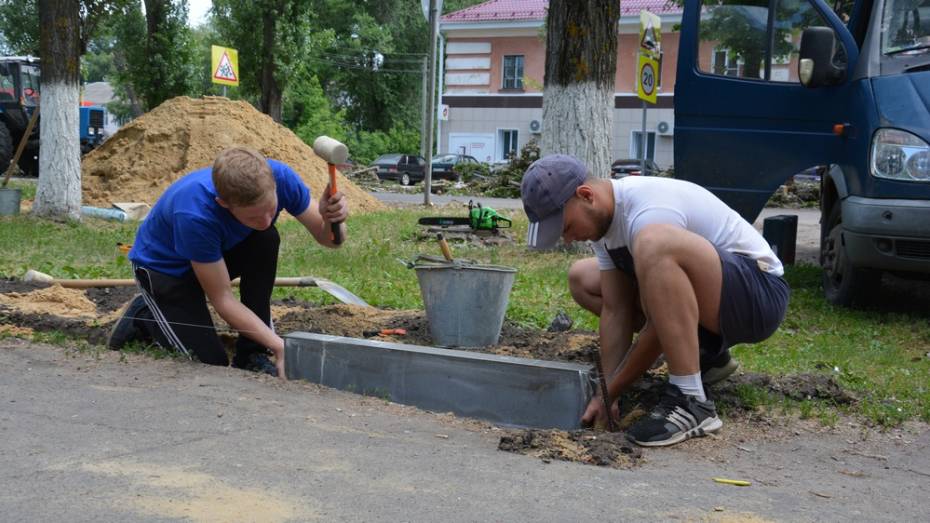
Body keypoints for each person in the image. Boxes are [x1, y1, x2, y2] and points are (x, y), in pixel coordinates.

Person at [521, 154, 788, 447]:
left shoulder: (649, 211)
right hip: (713, 299)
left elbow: (656, 325)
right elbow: (616, 310)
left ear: (586, 196)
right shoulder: (603, 225)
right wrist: (610, 391)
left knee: (654, 245)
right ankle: (703, 356)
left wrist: (613, 387)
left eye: (566, 228)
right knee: (582, 277)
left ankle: (690, 400)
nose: (568, 239)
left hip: (758, 296)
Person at [107, 146, 349, 378]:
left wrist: (331, 219)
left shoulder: (281, 177)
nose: (266, 219)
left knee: (265, 238)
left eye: (270, 209)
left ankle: (251, 354)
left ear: (274, 185)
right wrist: (280, 346)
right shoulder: (195, 214)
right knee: (210, 365)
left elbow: (330, 240)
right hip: (167, 273)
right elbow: (222, 299)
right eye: (253, 216)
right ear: (224, 203)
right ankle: (146, 314)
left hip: (213, 258)